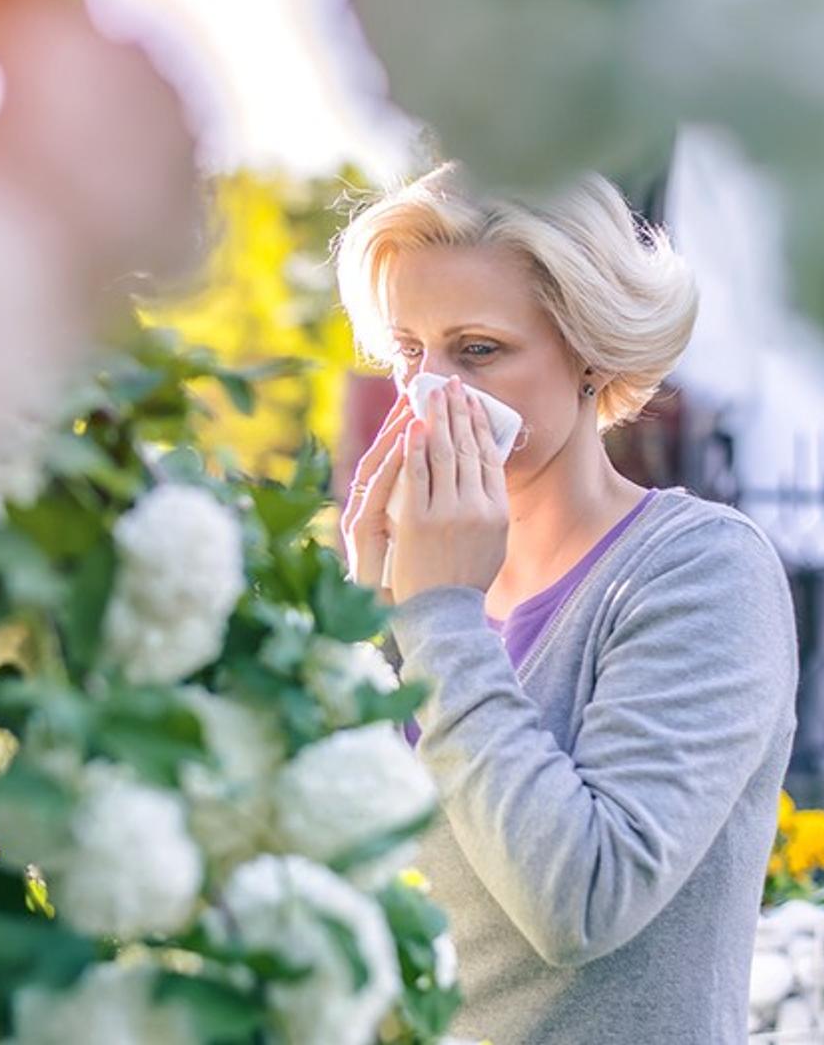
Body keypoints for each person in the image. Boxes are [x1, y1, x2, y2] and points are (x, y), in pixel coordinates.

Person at [334, 161, 799, 1043]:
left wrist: (436, 618)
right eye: (408, 352)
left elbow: (581, 902)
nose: (430, 395)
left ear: (588, 353)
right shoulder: (408, 591)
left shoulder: (701, 572)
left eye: (477, 351)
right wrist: (371, 629)